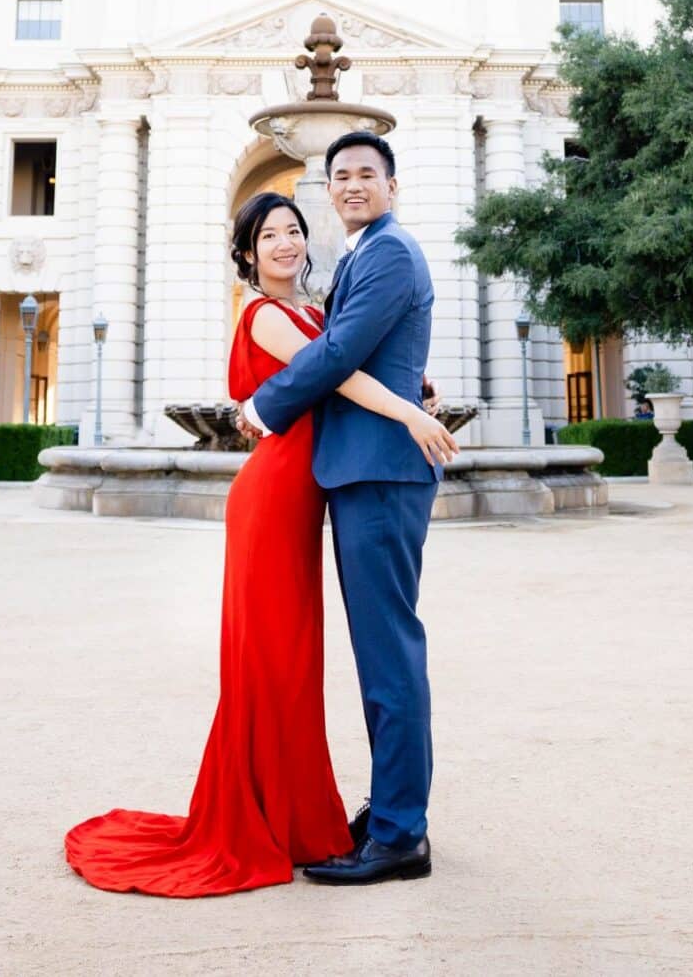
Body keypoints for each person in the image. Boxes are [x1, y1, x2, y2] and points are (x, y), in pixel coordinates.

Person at [63, 186, 456, 897]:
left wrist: (418, 387)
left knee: (295, 661)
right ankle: (266, 820)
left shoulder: (316, 307)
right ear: (246, 253)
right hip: (275, 495)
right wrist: (411, 413)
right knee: (273, 659)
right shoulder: (267, 314)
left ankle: (300, 818)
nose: (284, 242)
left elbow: (362, 350)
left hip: (307, 493)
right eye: (268, 234)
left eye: (293, 230)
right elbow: (337, 369)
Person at [243, 129, 442, 885]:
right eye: (341, 176)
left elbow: (339, 353)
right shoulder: (364, 253)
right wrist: (418, 384)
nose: (353, 184)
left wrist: (266, 402)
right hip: (362, 469)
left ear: (391, 184)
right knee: (380, 654)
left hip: (380, 473)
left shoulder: (388, 251)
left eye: (366, 173)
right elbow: (379, 350)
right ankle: (393, 808)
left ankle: (399, 834)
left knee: (389, 655)